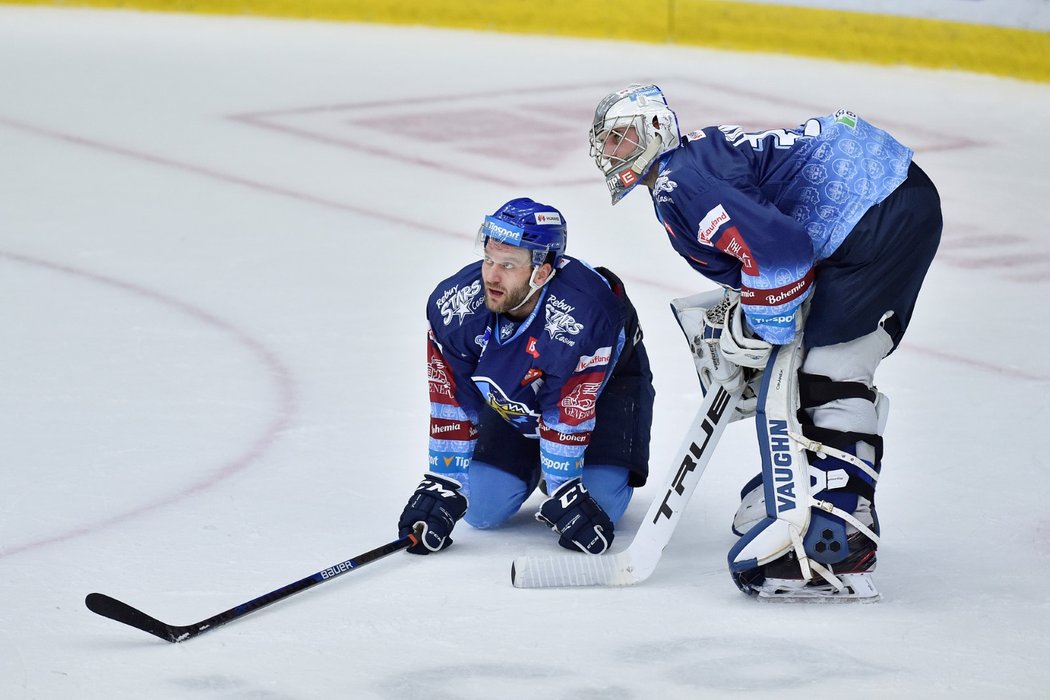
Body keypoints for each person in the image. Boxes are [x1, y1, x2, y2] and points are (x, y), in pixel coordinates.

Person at [588, 84, 941, 600]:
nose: (611, 151)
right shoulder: (681, 175)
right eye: (607, 141)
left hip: (879, 204)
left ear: (656, 131)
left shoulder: (680, 179)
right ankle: (810, 476)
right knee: (808, 363)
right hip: (876, 199)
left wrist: (763, 322)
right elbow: (763, 251)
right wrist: (759, 312)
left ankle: (841, 527)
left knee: (831, 369)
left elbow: (780, 255)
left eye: (622, 137)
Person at [397, 197, 654, 556]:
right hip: (515, 396)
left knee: (602, 506)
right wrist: (444, 480)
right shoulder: (454, 305)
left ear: (543, 271)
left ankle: (554, 472)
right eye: (488, 259)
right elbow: (451, 397)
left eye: (507, 264)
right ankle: (531, 462)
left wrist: (565, 489)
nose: (491, 275)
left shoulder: (584, 318)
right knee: (481, 510)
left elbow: (568, 413)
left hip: (603, 393)